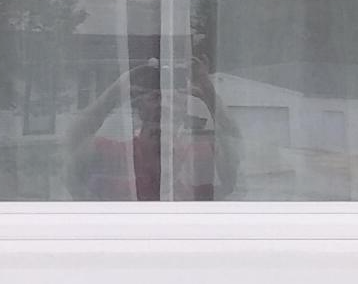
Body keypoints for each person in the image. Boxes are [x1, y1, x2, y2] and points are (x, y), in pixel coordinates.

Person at [61, 54, 240, 200]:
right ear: (139, 108)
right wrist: (118, 89)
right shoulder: (117, 154)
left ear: (183, 109)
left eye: (171, 95)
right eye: (155, 96)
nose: (163, 103)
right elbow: (73, 143)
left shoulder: (197, 153)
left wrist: (206, 90)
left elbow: (235, 160)